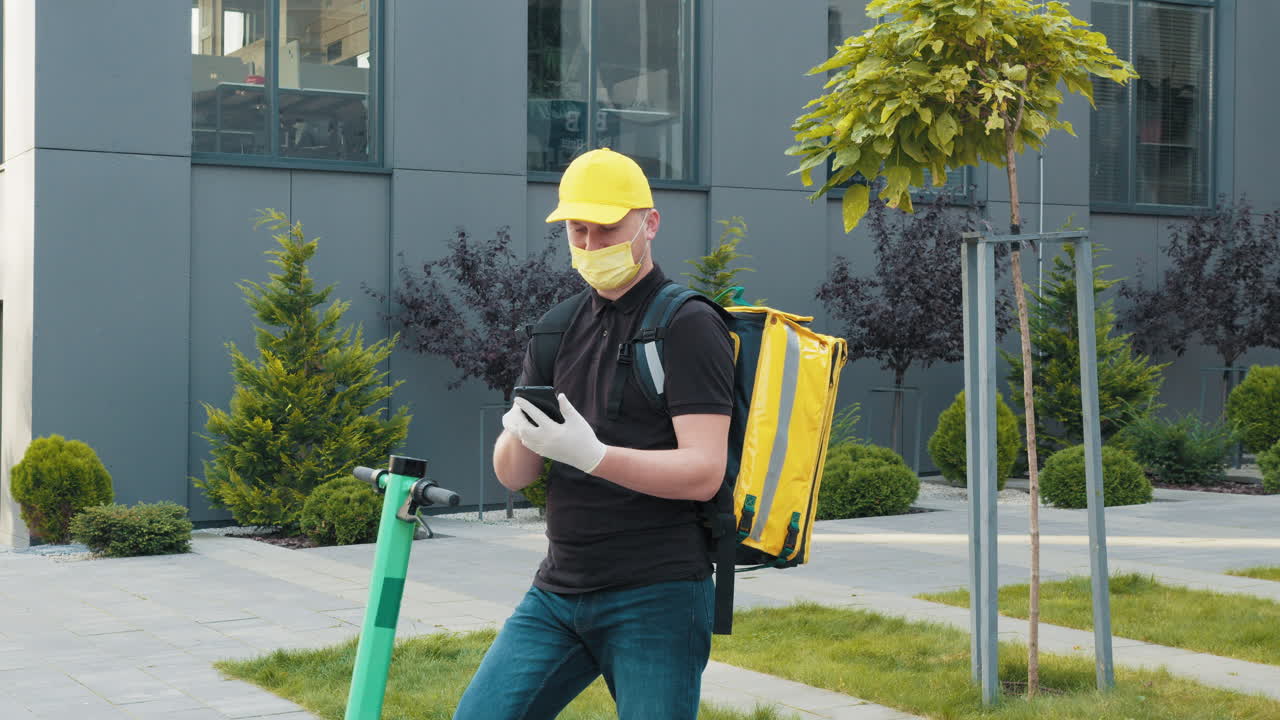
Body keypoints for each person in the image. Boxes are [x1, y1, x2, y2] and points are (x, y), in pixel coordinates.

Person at [452, 148, 736, 720]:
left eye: (606, 230)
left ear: (648, 224)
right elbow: (514, 475)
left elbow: (704, 472)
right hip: (558, 590)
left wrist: (593, 455)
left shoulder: (689, 324)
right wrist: (519, 434)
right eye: (577, 231)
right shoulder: (557, 328)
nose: (589, 247)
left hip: (656, 594)